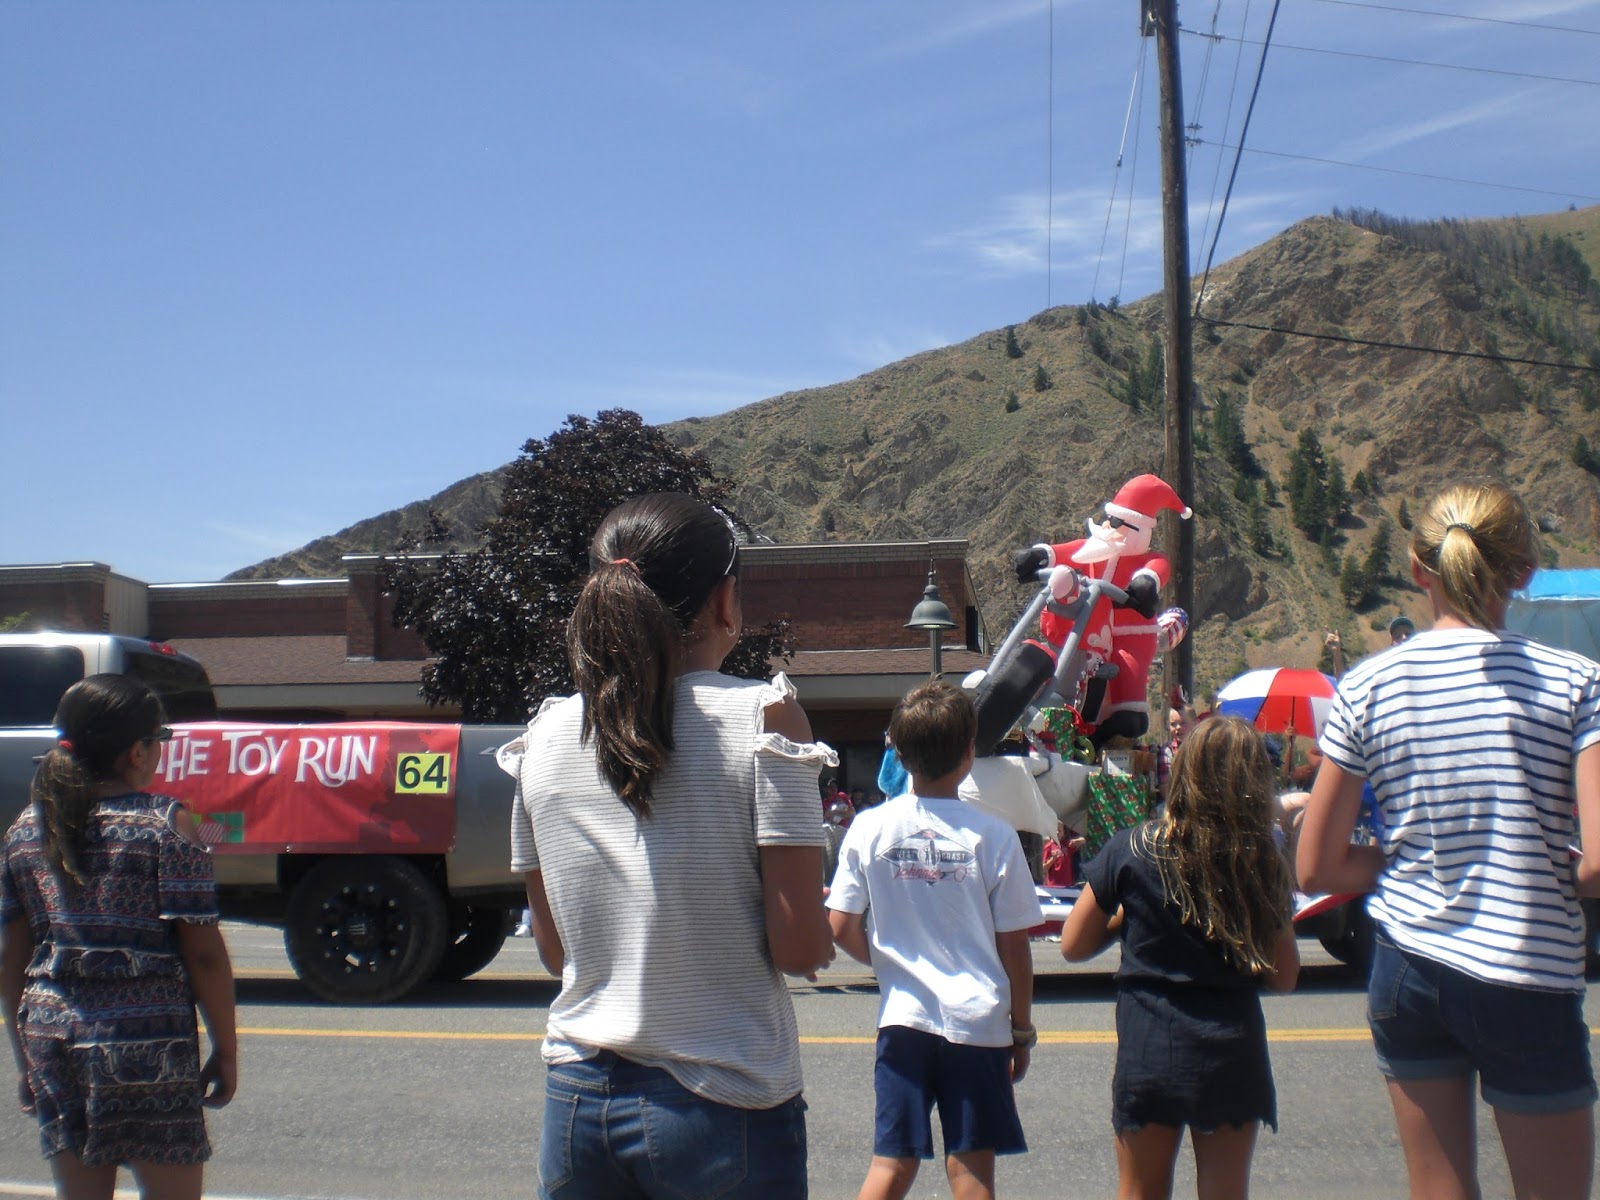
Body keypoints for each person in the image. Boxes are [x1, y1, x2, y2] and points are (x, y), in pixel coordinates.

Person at [503, 492, 835, 1200]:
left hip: (577, 1098)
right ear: (726, 600)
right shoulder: (766, 719)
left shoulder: (543, 738)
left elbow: (556, 952)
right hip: (723, 1100)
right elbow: (800, 947)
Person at [1298, 482, 1600, 1200]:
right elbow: (1598, 869)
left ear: (1416, 569)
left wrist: (1410, 853)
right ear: (1523, 570)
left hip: (1408, 966)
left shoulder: (1366, 687)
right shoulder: (1576, 682)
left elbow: (1317, 864)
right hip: (1528, 966)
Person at [0, 674, 237, 1200]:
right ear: (138, 751)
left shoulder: (24, 828)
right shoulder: (169, 825)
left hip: (53, 1036)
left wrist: (25, 1059)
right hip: (148, 1041)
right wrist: (226, 1049)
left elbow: (11, 955)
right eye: (161, 740)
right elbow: (204, 956)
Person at [1062, 716, 1299, 1200]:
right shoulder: (1261, 859)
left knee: (1140, 1190)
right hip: (1232, 1048)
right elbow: (1285, 977)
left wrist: (1128, 912)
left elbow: (1073, 945)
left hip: (1151, 1043)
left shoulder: (1132, 847)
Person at [827, 680, 1042, 1200]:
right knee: (970, 1171)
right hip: (980, 1024)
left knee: (892, 1164)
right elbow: (1015, 949)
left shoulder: (869, 829)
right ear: (970, 754)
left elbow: (840, 925)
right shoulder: (995, 836)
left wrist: (889, 964)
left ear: (898, 754)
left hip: (903, 1022)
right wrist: (1021, 1031)